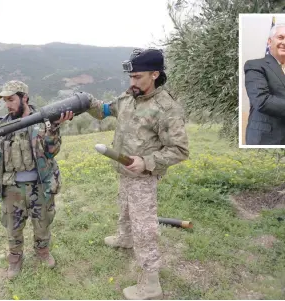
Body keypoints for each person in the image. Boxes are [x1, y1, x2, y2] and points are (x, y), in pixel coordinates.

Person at [82, 48, 189, 299]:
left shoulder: (166, 108)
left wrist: (146, 161)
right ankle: (124, 238)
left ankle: (151, 283)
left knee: (145, 227)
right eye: (130, 78)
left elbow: (180, 150)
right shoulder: (129, 97)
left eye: (137, 77)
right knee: (125, 209)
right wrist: (85, 102)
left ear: (155, 74)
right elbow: (106, 110)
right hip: (123, 170)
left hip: (143, 176)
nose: (132, 82)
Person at [0, 80, 73, 280]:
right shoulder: (0, 125)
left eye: (11, 99)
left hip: (40, 185)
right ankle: (15, 259)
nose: (8, 104)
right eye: (5, 100)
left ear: (25, 98)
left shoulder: (43, 119)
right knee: (13, 226)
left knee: (42, 222)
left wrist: (55, 128)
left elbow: (52, 151)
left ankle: (43, 252)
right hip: (12, 188)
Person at [244, 23, 285, 145]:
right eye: (281, 37)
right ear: (269, 41)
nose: (284, 42)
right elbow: (261, 100)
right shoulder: (255, 65)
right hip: (266, 139)